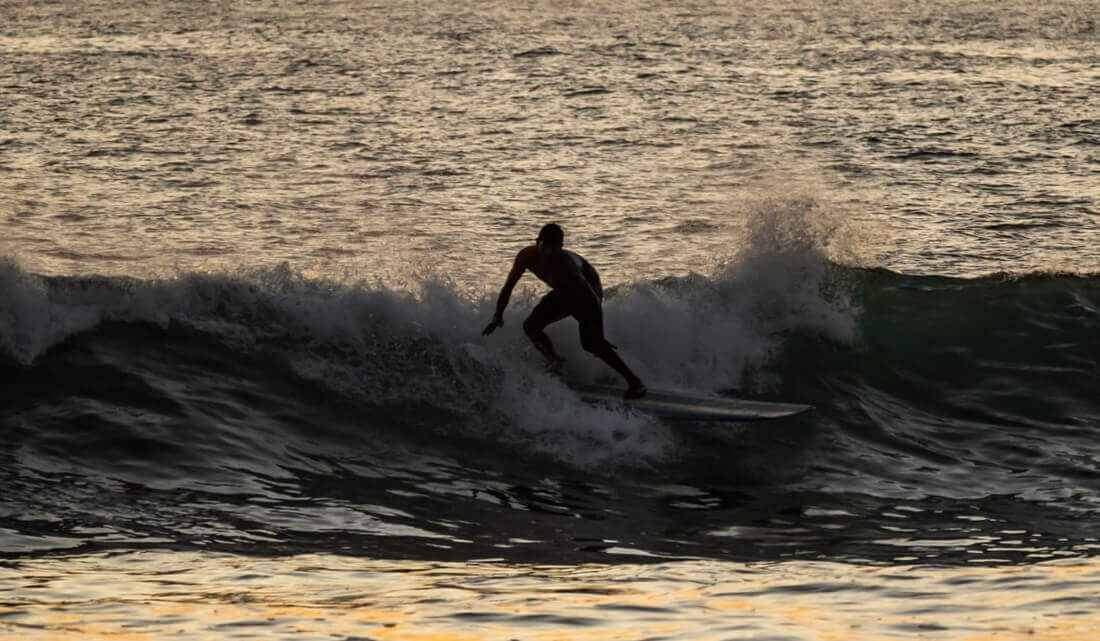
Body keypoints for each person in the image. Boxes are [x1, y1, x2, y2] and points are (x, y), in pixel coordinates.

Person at [482, 223, 647, 399]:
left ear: (561, 247)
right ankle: (555, 361)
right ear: (537, 242)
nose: (548, 253)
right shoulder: (526, 256)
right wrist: (498, 315)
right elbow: (508, 287)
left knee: (591, 344)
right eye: (545, 247)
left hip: (587, 291)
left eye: (554, 249)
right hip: (562, 291)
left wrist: (598, 332)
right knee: (531, 326)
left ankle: (635, 383)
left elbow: (591, 299)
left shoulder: (567, 266)